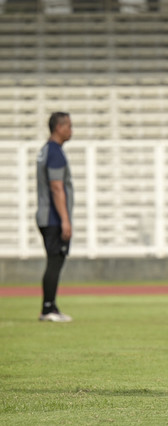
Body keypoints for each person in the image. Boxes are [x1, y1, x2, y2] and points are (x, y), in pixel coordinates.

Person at [36, 112, 74, 322]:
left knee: (54, 261)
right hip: (53, 217)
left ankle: (50, 306)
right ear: (59, 128)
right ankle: (48, 308)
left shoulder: (45, 150)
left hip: (46, 214)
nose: (71, 130)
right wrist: (65, 219)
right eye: (68, 126)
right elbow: (57, 187)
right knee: (55, 261)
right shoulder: (55, 152)